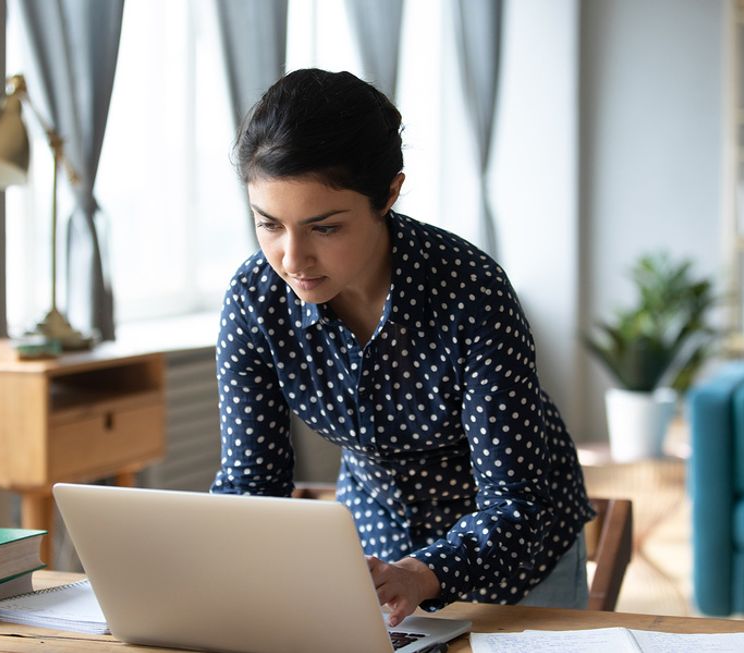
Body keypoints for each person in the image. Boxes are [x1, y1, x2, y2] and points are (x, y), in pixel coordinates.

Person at [210, 68, 594, 626]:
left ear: (388, 193)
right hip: (372, 554)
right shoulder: (255, 299)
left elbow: (514, 502)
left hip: (514, 559)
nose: (292, 259)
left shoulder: (471, 292)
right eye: (268, 225)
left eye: (324, 228)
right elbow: (251, 483)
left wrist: (423, 572)